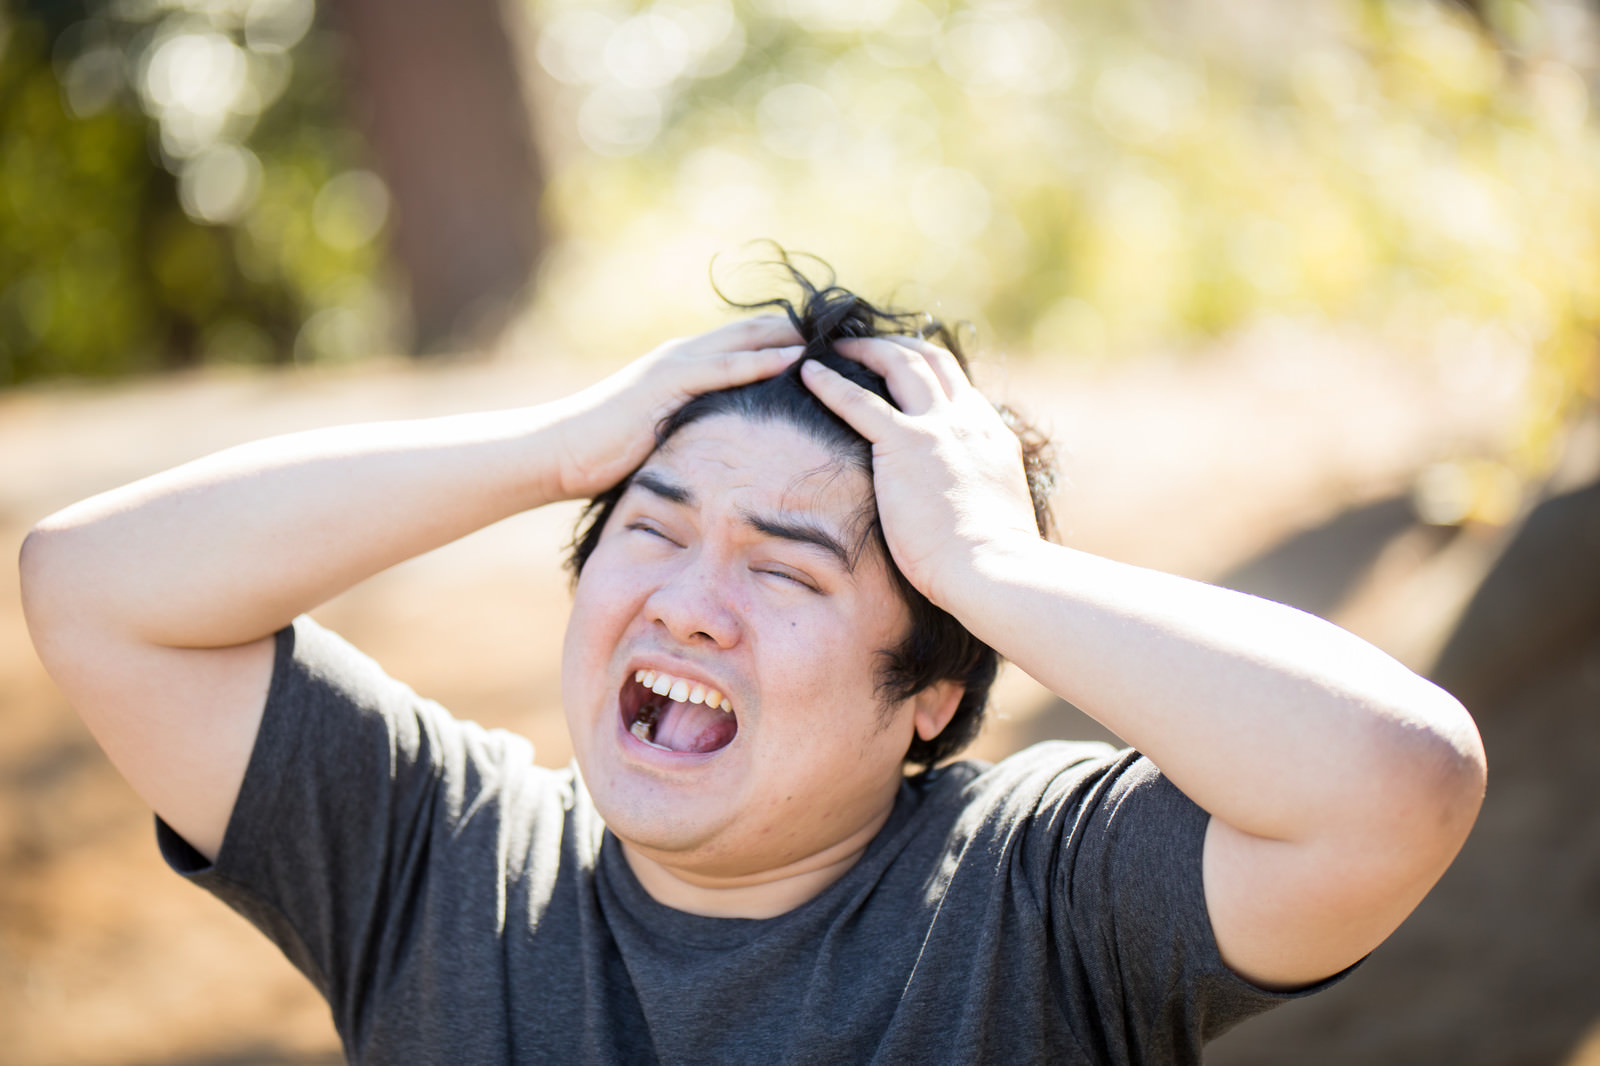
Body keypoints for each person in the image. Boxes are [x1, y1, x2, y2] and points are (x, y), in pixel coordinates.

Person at [20, 262, 1486, 1065]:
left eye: (786, 569)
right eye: (649, 534)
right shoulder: (435, 855)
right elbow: (91, 589)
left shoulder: (1037, 901)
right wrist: (549, 450)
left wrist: (997, 570)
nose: (692, 604)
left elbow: (1394, 785)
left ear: (932, 694)